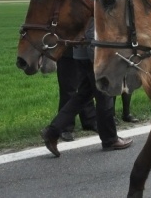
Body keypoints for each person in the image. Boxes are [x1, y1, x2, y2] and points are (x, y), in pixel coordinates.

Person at [41, 18, 133, 156]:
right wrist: (99, 59)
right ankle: (110, 139)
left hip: (81, 53)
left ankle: (52, 131)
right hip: (94, 54)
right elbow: (93, 27)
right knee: (104, 95)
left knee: (83, 96)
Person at [55, 46, 97, 141]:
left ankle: (90, 120)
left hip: (84, 50)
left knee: (87, 87)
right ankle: (65, 127)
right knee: (68, 88)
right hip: (66, 48)